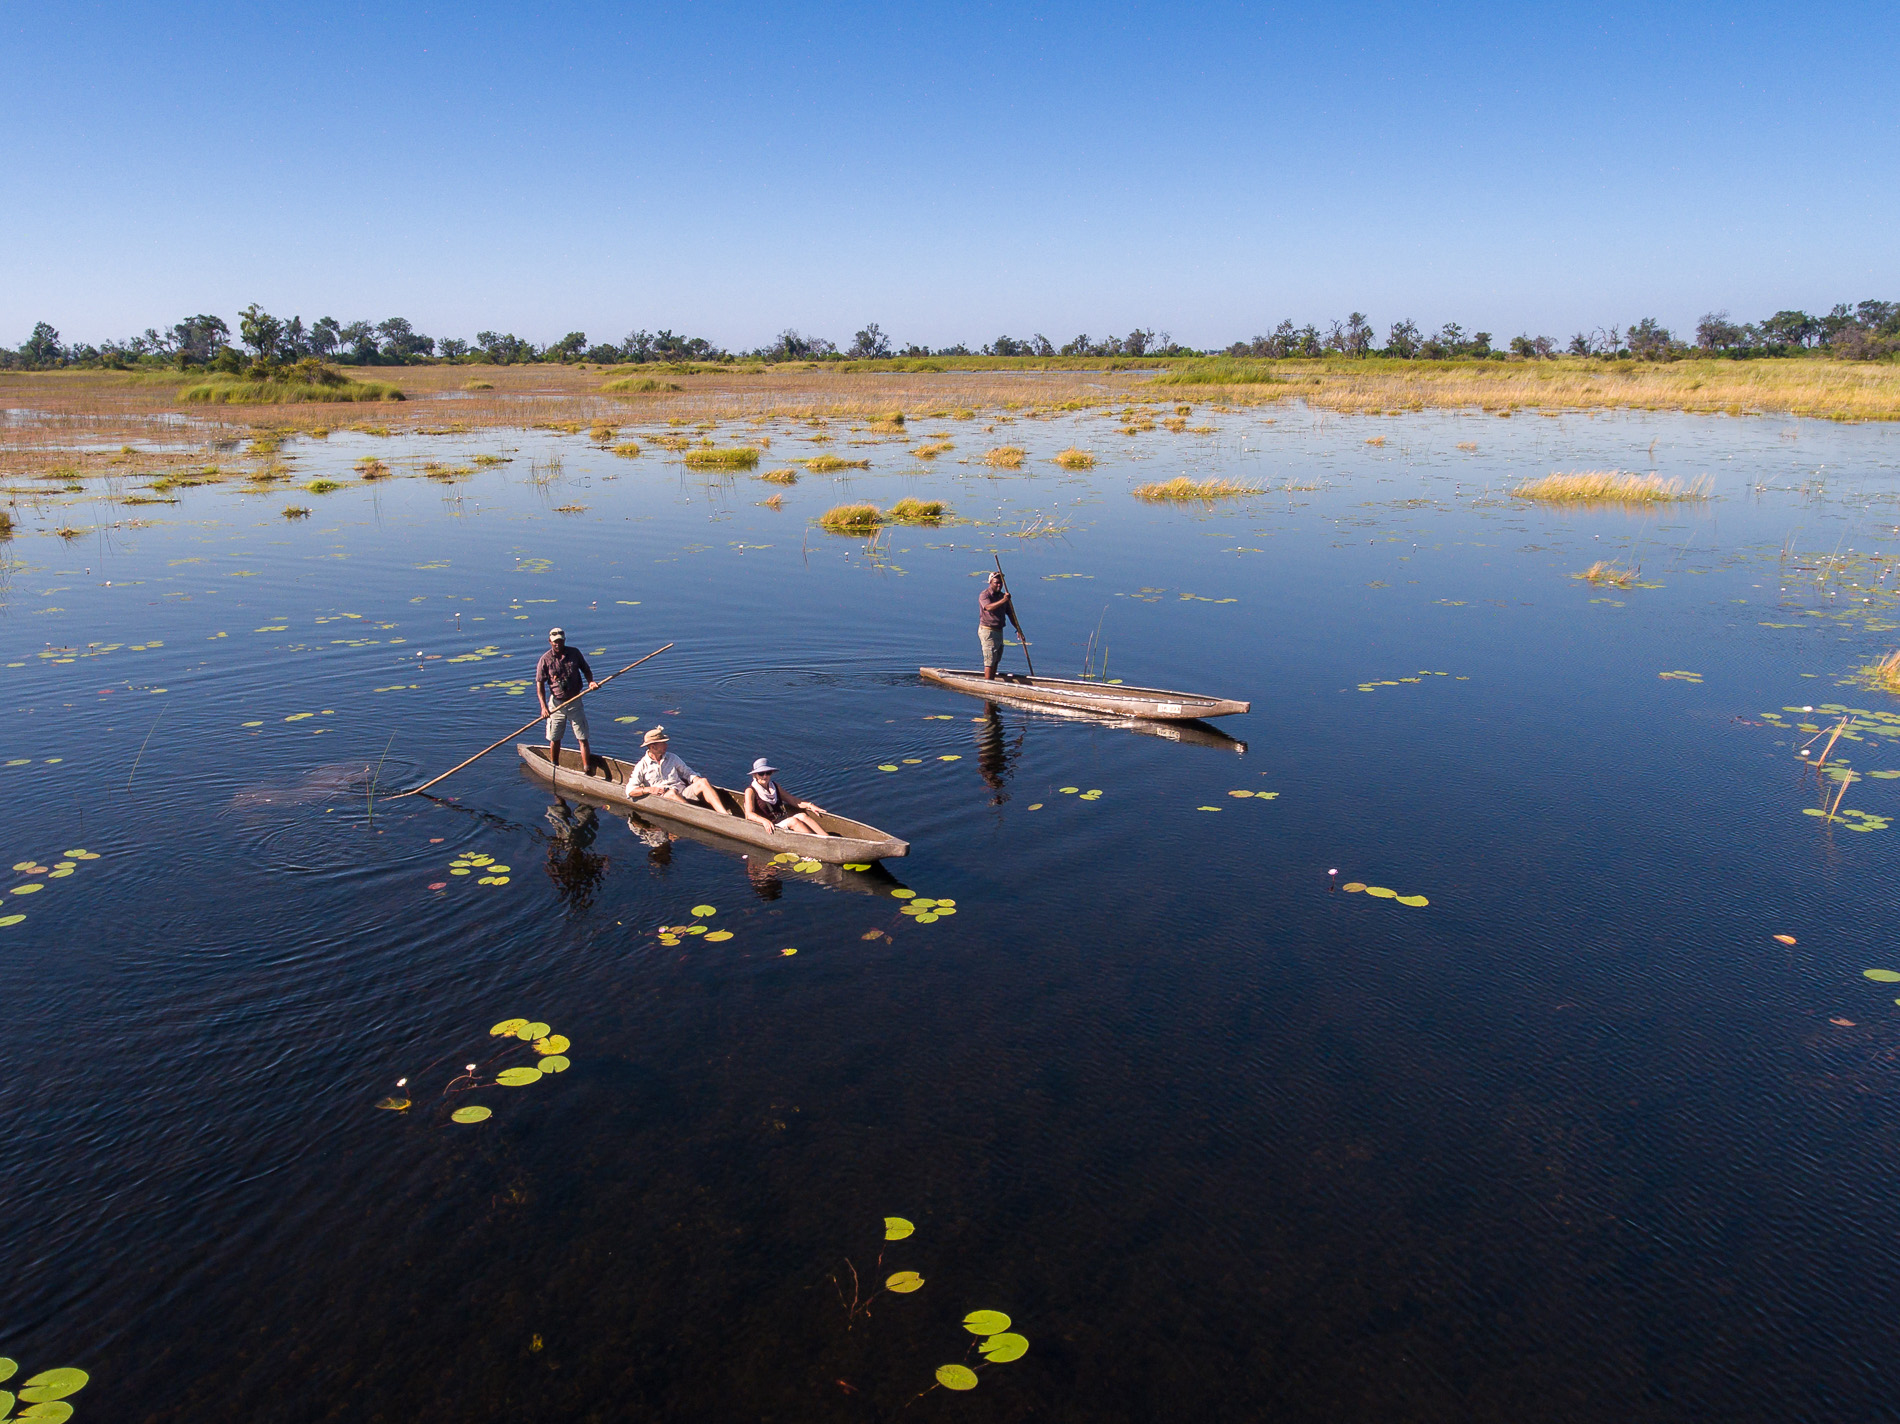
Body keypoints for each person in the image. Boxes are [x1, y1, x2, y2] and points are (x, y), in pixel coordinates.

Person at [623, 726, 734, 814]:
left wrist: (695, 779)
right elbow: (630, 791)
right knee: (671, 793)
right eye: (663, 743)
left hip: (682, 792)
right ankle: (696, 815)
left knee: (703, 782)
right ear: (653, 747)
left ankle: (723, 814)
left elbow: (688, 772)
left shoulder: (672, 758)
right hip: (665, 796)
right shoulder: (642, 766)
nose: (666, 745)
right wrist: (649, 790)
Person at [536, 628, 601, 776]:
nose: (558, 644)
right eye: (555, 642)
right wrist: (544, 708)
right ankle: (554, 766)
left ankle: (587, 769)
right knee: (555, 738)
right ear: (550, 642)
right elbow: (540, 685)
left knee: (582, 737)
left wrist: (591, 682)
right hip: (556, 704)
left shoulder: (574, 653)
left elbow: (586, 670)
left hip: (575, 701)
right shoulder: (545, 659)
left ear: (564, 640)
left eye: (560, 641)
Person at [739, 757, 832, 837]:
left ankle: (828, 838)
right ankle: (816, 842)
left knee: (803, 816)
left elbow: (792, 800)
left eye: (768, 773)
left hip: (780, 820)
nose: (765, 776)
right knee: (793, 821)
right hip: (769, 825)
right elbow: (749, 814)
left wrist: (810, 805)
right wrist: (764, 821)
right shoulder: (750, 791)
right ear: (755, 775)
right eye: (761, 773)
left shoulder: (774, 786)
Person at [979, 571, 1019, 680]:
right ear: (990, 582)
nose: (999, 585)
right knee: (990, 659)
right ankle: (988, 684)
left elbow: (1010, 614)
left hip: (999, 631)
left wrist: (1018, 629)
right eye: (996, 582)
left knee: (996, 659)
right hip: (988, 631)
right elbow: (988, 607)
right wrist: (1004, 600)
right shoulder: (985, 595)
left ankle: (992, 681)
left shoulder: (1002, 596)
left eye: (1001, 583)